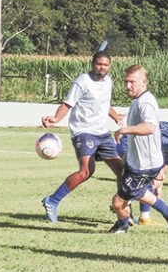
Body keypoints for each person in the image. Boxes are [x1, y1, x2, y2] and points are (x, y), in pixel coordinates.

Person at [41, 51, 125, 222]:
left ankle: (123, 210)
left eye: (106, 65)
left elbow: (104, 104)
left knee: (122, 170)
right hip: (84, 132)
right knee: (86, 171)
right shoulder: (82, 82)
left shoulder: (108, 82)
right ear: (93, 63)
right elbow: (67, 104)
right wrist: (55, 119)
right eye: (99, 64)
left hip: (102, 133)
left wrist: (115, 117)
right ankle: (53, 201)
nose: (102, 68)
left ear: (110, 66)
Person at [108, 65, 168, 234]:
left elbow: (149, 127)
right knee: (138, 193)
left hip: (145, 165)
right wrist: (128, 155)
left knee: (118, 202)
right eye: (126, 82)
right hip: (137, 162)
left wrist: (123, 130)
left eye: (132, 82)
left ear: (144, 82)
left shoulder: (146, 102)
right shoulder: (138, 101)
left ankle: (122, 225)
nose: (128, 86)